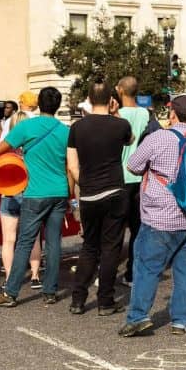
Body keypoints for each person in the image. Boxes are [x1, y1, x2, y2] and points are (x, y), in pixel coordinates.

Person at [120, 94, 186, 336]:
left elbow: (133, 166)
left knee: (147, 267)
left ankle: (138, 316)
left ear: (172, 114)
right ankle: (181, 320)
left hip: (160, 217)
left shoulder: (158, 138)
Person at [0, 87, 70, 306]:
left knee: (24, 242)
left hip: (35, 193)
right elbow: (71, 164)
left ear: (39, 104)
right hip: (60, 191)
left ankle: (11, 293)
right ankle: (50, 291)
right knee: (53, 243)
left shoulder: (27, 126)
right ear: (57, 105)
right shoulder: (65, 131)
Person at [67, 81, 133, 315]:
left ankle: (78, 299)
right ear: (111, 100)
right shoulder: (121, 125)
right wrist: (115, 113)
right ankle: (105, 300)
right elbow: (131, 139)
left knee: (89, 246)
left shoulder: (77, 128)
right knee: (110, 248)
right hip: (114, 190)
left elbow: (72, 165)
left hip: (89, 194)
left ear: (88, 99)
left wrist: (84, 183)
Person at [116, 77, 161, 283]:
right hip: (140, 177)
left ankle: (107, 273)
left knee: (114, 230)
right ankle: (132, 273)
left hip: (118, 177)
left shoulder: (115, 116)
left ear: (120, 90)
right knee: (137, 229)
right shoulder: (147, 114)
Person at [0, 110, 43, 290]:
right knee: (34, 237)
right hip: (31, 193)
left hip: (9, 194)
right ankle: (35, 275)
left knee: (8, 239)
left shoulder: (5, 148)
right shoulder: (35, 146)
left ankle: (9, 277)